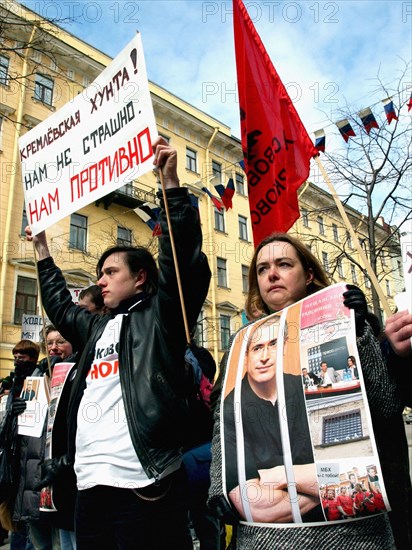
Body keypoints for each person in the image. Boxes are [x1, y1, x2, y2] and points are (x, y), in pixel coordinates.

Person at [25, 137, 211, 550]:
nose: (100, 281)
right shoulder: (95, 328)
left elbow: (182, 263)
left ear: (140, 277)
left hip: (145, 484)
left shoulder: (162, 319)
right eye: (99, 274)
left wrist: (170, 188)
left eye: (110, 272)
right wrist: (40, 249)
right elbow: (58, 303)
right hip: (91, 486)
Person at [209, 232, 401, 548]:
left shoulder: (343, 324)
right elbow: (224, 426)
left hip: (351, 534)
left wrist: (359, 333)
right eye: (261, 269)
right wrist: (219, 486)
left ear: (308, 274)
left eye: (284, 264)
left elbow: (386, 406)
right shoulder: (241, 343)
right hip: (266, 537)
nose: (271, 274)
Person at [223, 316, 322, 523]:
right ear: (246, 355)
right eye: (257, 348)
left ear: (285, 346)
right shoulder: (231, 407)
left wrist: (281, 475)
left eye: (274, 344)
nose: (265, 356)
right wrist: (325, 487)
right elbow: (256, 507)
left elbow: (348, 469)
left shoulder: (308, 389)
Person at [12, 329, 76, 550]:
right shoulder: (35, 377)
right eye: (49, 343)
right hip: (32, 481)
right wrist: (15, 411)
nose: (54, 348)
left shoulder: (78, 375)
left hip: (61, 479)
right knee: (40, 544)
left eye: (61, 341)